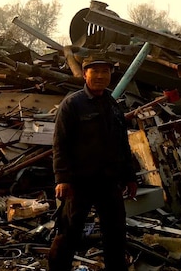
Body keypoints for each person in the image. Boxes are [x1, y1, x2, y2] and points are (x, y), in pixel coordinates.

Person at [48, 54, 138, 271]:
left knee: (115, 234)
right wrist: (62, 179)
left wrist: (130, 177)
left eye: (105, 71)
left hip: (110, 182)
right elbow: (60, 144)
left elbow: (122, 143)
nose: (100, 76)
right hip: (80, 183)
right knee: (69, 232)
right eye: (94, 71)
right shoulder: (72, 104)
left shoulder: (112, 104)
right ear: (85, 74)